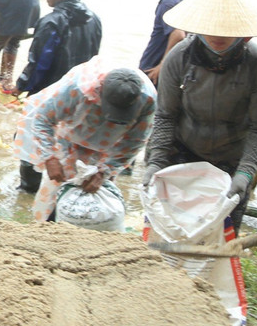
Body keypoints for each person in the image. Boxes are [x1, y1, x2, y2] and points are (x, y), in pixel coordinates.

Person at [143, 0, 257, 233]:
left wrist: (245, 173)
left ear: (245, 34)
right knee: (166, 229)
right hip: (182, 150)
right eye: (212, 27)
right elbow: (165, 116)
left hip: (231, 157)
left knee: (218, 234)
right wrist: (156, 162)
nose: (218, 35)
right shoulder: (179, 57)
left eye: (227, 29)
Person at [13, 61, 156, 220]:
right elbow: (43, 119)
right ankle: (47, 223)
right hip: (69, 138)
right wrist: (49, 157)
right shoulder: (76, 89)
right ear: (99, 90)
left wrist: (104, 171)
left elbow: (134, 142)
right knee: (54, 191)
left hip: (108, 146)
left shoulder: (148, 100)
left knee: (95, 197)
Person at [14, 0, 103, 192]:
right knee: (70, 143)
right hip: (83, 95)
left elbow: (39, 63)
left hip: (50, 93)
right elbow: (95, 58)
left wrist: (21, 85)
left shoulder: (51, 22)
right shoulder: (94, 19)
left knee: (31, 138)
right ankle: (66, 186)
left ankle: (29, 188)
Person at [139, 0, 188, 85]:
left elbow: (178, 34)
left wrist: (162, 65)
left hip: (154, 73)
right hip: (172, 73)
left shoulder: (168, 3)